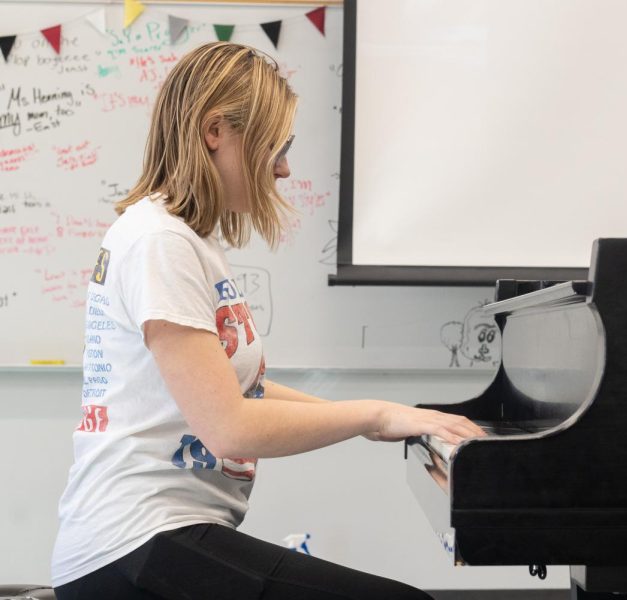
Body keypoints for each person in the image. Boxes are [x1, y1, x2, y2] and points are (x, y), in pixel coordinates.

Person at [51, 42, 485, 599]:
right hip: (132, 547)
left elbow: (241, 389)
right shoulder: (159, 241)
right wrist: (368, 414)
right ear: (215, 132)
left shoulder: (187, 239)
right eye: (275, 146)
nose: (283, 167)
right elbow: (228, 426)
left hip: (157, 539)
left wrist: (383, 419)